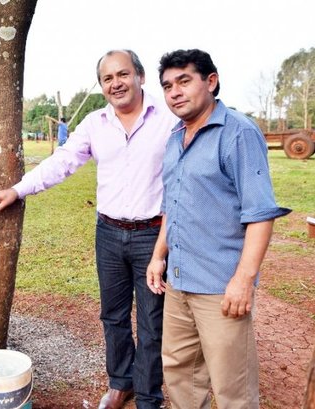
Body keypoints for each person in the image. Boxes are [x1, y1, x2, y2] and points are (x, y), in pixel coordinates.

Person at [0, 50, 178, 409]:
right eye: (107, 78)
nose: (116, 83)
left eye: (123, 74)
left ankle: (149, 395)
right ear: (102, 85)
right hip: (109, 233)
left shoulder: (168, 119)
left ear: (141, 76)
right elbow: (62, 162)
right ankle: (121, 384)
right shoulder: (94, 124)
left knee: (152, 318)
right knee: (113, 314)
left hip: (154, 235)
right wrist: (16, 190)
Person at [146, 49, 291, 409]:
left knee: (233, 388)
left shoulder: (237, 133)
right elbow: (172, 204)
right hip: (179, 282)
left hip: (220, 289)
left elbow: (260, 213)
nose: (175, 92)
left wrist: (243, 280)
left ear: (210, 81)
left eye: (184, 81)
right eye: (167, 86)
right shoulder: (174, 137)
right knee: (181, 374)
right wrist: (157, 256)